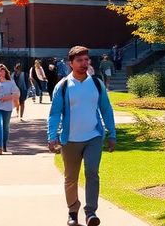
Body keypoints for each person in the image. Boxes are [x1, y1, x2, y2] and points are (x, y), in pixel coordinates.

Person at [48, 46, 116, 226]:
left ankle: (91, 212)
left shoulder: (96, 83)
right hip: (69, 140)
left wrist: (112, 133)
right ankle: (72, 211)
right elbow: (54, 113)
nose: (84, 63)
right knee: (71, 178)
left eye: (86, 60)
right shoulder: (63, 86)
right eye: (79, 60)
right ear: (71, 63)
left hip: (93, 137)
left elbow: (106, 109)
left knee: (92, 172)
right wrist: (51, 135)